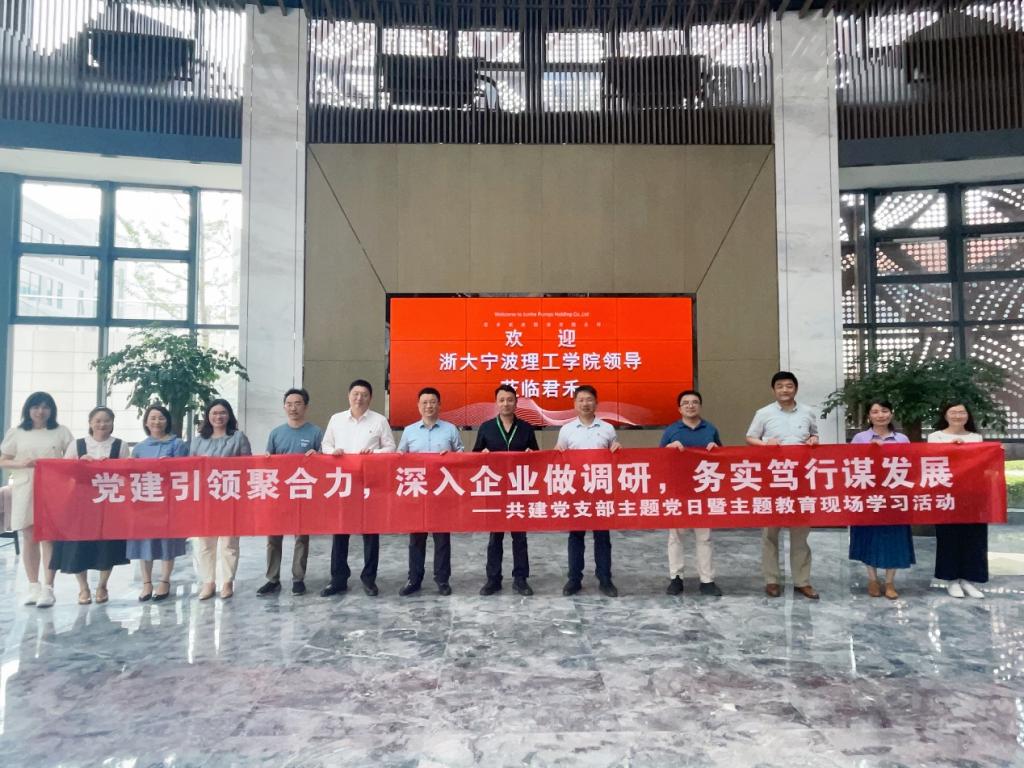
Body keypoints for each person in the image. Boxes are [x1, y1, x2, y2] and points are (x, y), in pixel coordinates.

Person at [746, 371, 821, 600]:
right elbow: (750, 438)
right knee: (770, 532)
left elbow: (814, 436)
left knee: (801, 533)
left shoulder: (808, 412)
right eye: (780, 386)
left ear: (795, 388)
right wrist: (765, 444)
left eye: (789, 386)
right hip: (773, 478)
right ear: (774, 390)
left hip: (801, 479)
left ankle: (802, 581)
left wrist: (814, 440)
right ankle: (772, 580)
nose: (785, 390)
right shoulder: (763, 413)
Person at [321, 379, 396, 597]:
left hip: (370, 484)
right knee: (340, 532)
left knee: (370, 533)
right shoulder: (336, 419)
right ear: (349, 396)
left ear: (370, 398)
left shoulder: (379, 420)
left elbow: (391, 447)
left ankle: (369, 579)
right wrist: (333, 452)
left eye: (364, 394)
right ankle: (338, 579)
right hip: (343, 483)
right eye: (355, 394)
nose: (359, 398)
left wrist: (375, 454)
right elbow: (325, 445)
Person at [48, 406, 130, 605]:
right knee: (78, 545)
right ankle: (83, 588)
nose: (102, 424)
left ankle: (102, 585)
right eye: (98, 420)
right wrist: (80, 463)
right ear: (90, 423)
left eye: (107, 421)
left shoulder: (120, 445)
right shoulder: (77, 445)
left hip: (108, 502)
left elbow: (127, 473)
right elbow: (64, 472)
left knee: (107, 545)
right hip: (80, 503)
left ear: (112, 423)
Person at [1, 391, 74, 607]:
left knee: (48, 536)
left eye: (45, 407)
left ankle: (48, 588)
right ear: (28, 410)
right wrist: (21, 463)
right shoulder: (17, 432)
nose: (40, 412)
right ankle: (33, 586)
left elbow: (73, 458)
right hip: (25, 488)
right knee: (29, 536)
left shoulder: (61, 432)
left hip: (53, 489)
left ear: (52, 410)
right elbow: (3, 460)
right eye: (36, 407)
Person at [556, 385, 622, 597]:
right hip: (576, 490)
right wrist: (557, 453)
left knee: (602, 536)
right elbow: (559, 456)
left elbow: (615, 457)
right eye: (581, 400)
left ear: (596, 403)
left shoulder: (607, 428)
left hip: (601, 489)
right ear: (575, 404)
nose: (585, 403)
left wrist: (617, 450)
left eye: (589, 399)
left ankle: (605, 578)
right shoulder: (567, 429)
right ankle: (574, 579)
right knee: (576, 536)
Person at [398, 387, 464, 596]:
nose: (429, 406)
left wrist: (451, 456)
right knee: (416, 539)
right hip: (417, 492)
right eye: (425, 402)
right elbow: (399, 456)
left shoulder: (450, 429)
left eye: (433, 402)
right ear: (418, 406)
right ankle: (414, 579)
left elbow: (462, 454)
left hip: (441, 492)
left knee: (442, 539)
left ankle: (442, 580)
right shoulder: (409, 431)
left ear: (439, 405)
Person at [474, 384, 539, 597]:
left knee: (519, 537)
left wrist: (531, 455)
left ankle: (521, 579)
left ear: (516, 402)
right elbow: (475, 456)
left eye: (510, 400)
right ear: (496, 403)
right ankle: (493, 579)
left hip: (519, 489)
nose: (506, 404)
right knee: (495, 538)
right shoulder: (486, 427)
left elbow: (537, 456)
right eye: (502, 400)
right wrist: (481, 455)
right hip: (495, 490)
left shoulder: (526, 428)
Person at [257, 388, 323, 597]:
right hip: (279, 493)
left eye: (298, 403)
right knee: (273, 538)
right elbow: (268, 463)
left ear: (306, 406)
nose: (293, 408)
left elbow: (324, 463)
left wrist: (318, 456)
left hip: (302, 492)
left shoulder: (315, 432)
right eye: (289, 404)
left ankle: (298, 579)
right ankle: (272, 579)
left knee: (301, 537)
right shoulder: (276, 433)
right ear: (284, 407)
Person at [848, 400, 915, 600]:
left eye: (884, 411)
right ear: (869, 416)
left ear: (891, 414)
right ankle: (872, 580)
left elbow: (911, 465)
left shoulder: (902, 438)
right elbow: (850, 464)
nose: (880, 415)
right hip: (868, 495)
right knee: (869, 536)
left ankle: (890, 582)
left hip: (895, 496)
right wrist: (870, 451)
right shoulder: (860, 438)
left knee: (894, 538)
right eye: (875, 412)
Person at [660, 389, 723, 597]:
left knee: (704, 537)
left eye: (694, 402)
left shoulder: (710, 429)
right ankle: (676, 578)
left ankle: (707, 580)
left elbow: (723, 458)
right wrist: (669, 448)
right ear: (679, 408)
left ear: (700, 406)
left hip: (703, 491)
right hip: (678, 490)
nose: (690, 405)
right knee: (676, 536)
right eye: (685, 402)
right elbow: (658, 458)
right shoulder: (671, 430)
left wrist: (716, 449)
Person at [190, 399, 252, 600]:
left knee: (229, 543)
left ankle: (227, 582)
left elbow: (248, 467)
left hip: (230, 498)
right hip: (205, 499)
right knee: (205, 543)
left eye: (223, 413)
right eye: (214, 413)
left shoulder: (238, 438)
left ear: (229, 415)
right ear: (208, 416)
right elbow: (191, 469)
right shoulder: (198, 441)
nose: (218, 417)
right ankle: (208, 582)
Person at [128, 404, 189, 601]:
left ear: (167, 421)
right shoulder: (139, 448)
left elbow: (185, 472)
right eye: (152, 418)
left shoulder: (177, 444)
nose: (157, 422)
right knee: (144, 542)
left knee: (166, 542)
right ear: (146, 422)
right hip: (145, 502)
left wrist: (170, 466)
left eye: (161, 418)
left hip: (168, 502)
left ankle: (164, 580)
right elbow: (130, 475)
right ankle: (146, 583)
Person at [927, 402, 988, 599]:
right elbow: (931, 460)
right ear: (945, 415)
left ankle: (969, 580)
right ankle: (951, 580)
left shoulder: (976, 437)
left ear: (968, 415)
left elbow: (981, 463)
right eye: (953, 412)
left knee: (974, 537)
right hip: (946, 494)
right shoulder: (935, 437)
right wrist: (951, 449)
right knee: (949, 536)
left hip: (972, 494)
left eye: (962, 412)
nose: (957, 416)